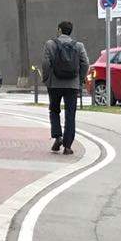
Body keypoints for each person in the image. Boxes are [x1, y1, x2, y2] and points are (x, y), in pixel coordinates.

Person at [42, 21, 90, 155]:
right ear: (70, 31)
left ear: (59, 30)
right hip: (72, 85)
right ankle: (68, 146)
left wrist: (46, 78)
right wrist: (79, 80)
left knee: (54, 110)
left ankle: (58, 137)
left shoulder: (50, 44)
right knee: (70, 114)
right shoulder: (79, 46)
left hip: (55, 84)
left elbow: (45, 63)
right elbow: (86, 63)